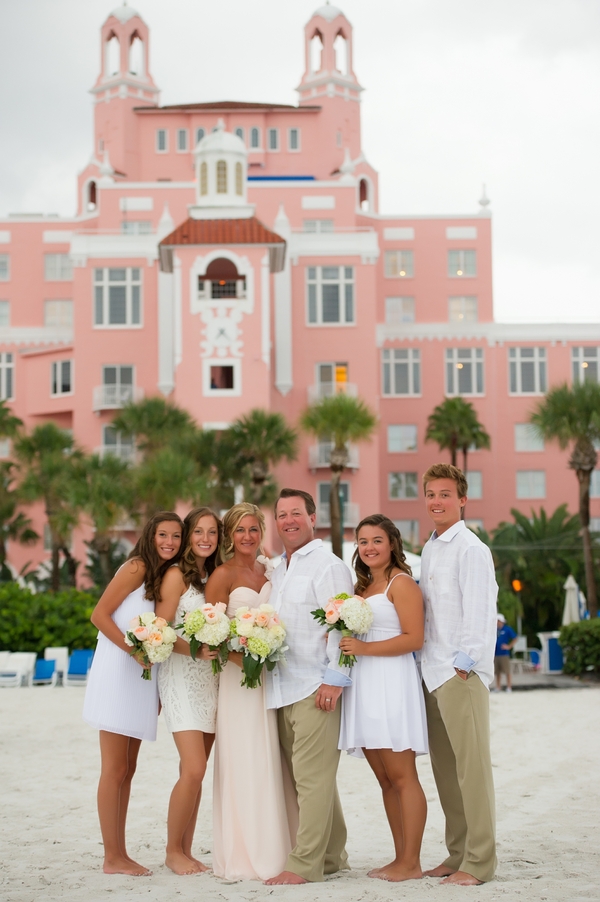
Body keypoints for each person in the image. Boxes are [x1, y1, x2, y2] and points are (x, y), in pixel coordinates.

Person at [83, 512, 184, 876]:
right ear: (150, 535)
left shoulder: (162, 576)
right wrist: (133, 651)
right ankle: (112, 857)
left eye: (176, 536)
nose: (169, 542)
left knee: (128, 767)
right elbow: (99, 615)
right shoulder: (137, 567)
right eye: (163, 535)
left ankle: (120, 853)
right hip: (118, 672)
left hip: (142, 676)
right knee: (114, 767)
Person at [264, 488, 354, 886]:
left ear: (312, 517)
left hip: (315, 687)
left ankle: (304, 865)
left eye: (296, 513)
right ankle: (333, 855)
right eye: (281, 514)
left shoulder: (327, 565)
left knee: (313, 779)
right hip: (281, 687)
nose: (288, 521)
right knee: (309, 779)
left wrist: (335, 680)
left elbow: (343, 622)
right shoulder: (279, 569)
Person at [205, 502, 295, 881]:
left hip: (271, 675)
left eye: (254, 529)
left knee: (274, 759)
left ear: (262, 532)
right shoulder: (222, 575)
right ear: (230, 535)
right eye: (240, 530)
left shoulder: (271, 569)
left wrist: (266, 652)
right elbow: (209, 632)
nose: (247, 536)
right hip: (238, 678)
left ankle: (283, 846)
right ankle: (246, 853)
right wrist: (245, 661)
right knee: (245, 756)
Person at [419, 463, 498, 886]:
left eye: (445, 494)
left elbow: (482, 610)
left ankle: (480, 862)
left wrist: (464, 664)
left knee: (473, 770)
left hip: (458, 674)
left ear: (462, 499)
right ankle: (457, 853)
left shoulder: (471, 548)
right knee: (447, 773)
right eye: (431, 493)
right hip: (430, 673)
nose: (437, 501)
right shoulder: (431, 547)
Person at [338, 514, 428, 883]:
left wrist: (364, 647)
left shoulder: (401, 583)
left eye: (377, 540)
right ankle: (399, 857)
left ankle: (412, 862)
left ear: (392, 543)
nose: (370, 547)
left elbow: (414, 638)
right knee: (385, 779)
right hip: (364, 686)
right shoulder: (361, 588)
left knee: (403, 776)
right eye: (363, 542)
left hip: (392, 683)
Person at [155, 507, 223, 875]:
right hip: (180, 674)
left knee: (193, 769)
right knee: (194, 769)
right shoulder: (176, 575)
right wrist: (194, 649)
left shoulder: (212, 575)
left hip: (209, 678)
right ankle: (171, 851)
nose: (205, 539)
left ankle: (186, 848)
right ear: (188, 534)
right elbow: (161, 631)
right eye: (198, 531)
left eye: (212, 532)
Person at [494, 613, 517, 692]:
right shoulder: (495, 630)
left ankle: (509, 687)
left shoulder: (507, 629)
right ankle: (498, 687)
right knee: (497, 672)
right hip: (496, 653)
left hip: (504, 654)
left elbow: (515, 638)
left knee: (507, 671)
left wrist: (509, 646)